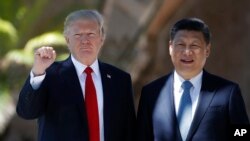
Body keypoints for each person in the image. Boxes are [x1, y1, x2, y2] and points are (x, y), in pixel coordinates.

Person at [16, 9, 136, 141]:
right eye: (78, 35)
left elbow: (129, 130)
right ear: (67, 40)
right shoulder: (50, 74)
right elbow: (26, 112)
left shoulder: (120, 79)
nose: (85, 40)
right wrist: (38, 71)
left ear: (102, 38)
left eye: (91, 34)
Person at [136, 18, 249, 141]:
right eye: (181, 45)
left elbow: (243, 134)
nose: (187, 52)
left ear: (207, 50)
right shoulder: (151, 93)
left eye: (194, 45)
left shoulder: (228, 93)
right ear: (170, 48)